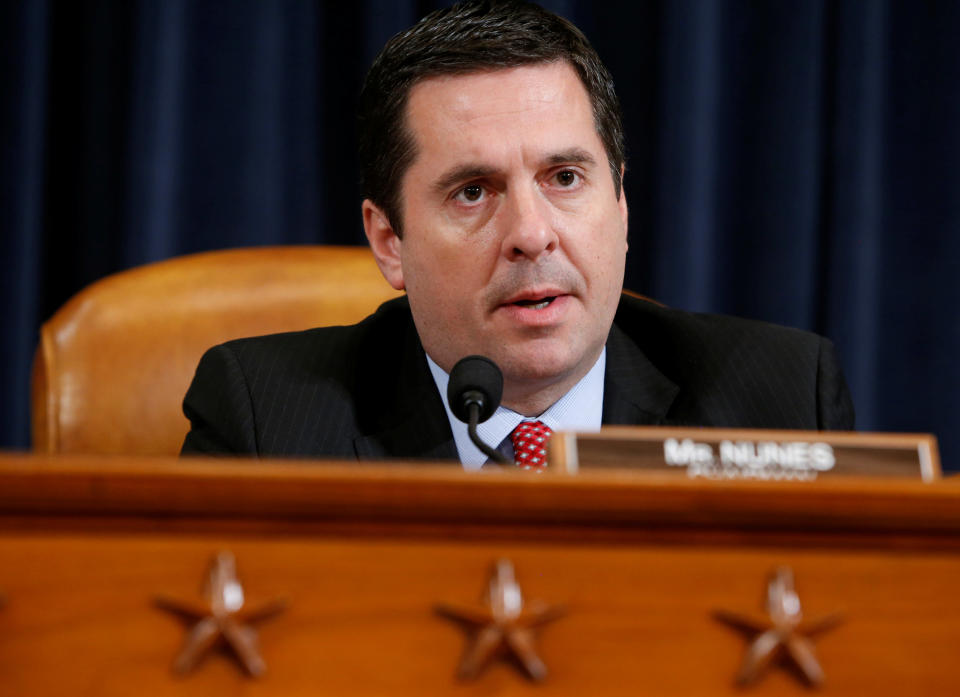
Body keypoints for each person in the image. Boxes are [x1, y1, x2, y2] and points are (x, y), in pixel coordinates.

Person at [180, 0, 854, 466]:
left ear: (620, 203)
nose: (531, 234)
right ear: (390, 241)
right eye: (472, 192)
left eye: (564, 177)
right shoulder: (265, 418)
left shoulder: (782, 399)